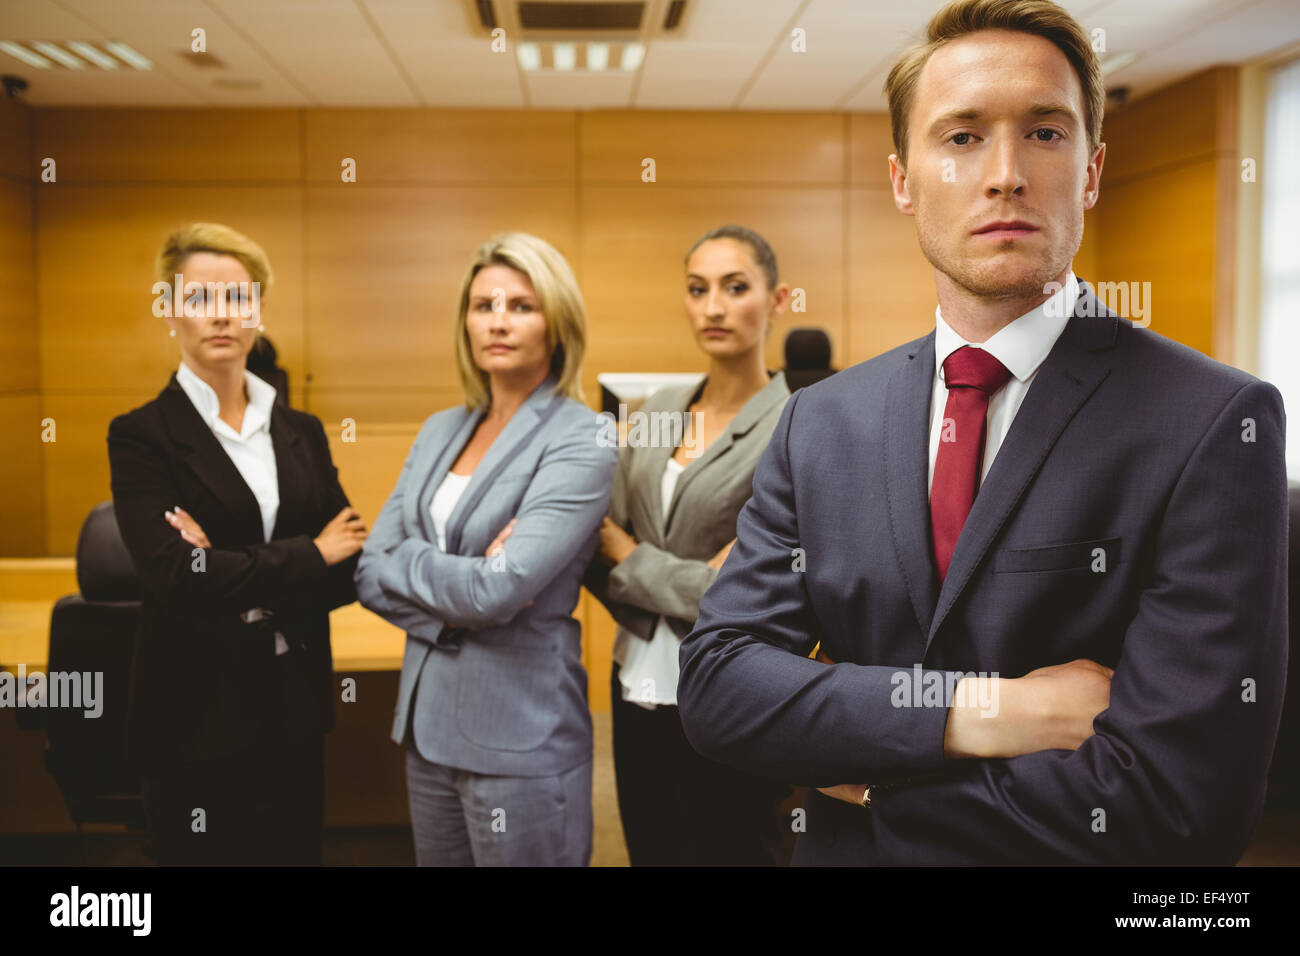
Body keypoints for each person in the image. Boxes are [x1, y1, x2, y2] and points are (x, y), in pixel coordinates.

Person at [677, 0, 1289, 866]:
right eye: (961, 137)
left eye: (1044, 133)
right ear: (901, 179)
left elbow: (1182, 807)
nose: (1005, 172)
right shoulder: (821, 423)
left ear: (1091, 170)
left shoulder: (1212, 422)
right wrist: (984, 713)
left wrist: (875, 780)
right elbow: (718, 686)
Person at [107, 222, 367, 865]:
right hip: (197, 710)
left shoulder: (300, 429)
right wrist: (308, 554)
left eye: (239, 298)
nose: (221, 314)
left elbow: (350, 562)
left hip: (295, 700)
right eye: (199, 299)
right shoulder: (143, 436)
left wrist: (226, 562)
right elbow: (175, 575)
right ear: (169, 311)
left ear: (258, 311)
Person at [355, 232, 617, 867]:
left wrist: (415, 566)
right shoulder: (442, 427)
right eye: (483, 304)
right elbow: (368, 572)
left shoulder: (584, 437)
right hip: (428, 724)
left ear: (558, 324)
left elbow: (500, 587)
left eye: (521, 306)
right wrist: (468, 584)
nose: (498, 321)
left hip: (521, 734)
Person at [584, 225, 794, 866]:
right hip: (636, 684)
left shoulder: (797, 421)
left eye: (735, 288)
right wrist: (682, 577)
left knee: (732, 852)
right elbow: (598, 542)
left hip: (732, 694)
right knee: (650, 850)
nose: (713, 307)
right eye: (698, 289)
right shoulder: (655, 408)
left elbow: (748, 592)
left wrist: (631, 554)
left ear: (778, 299)